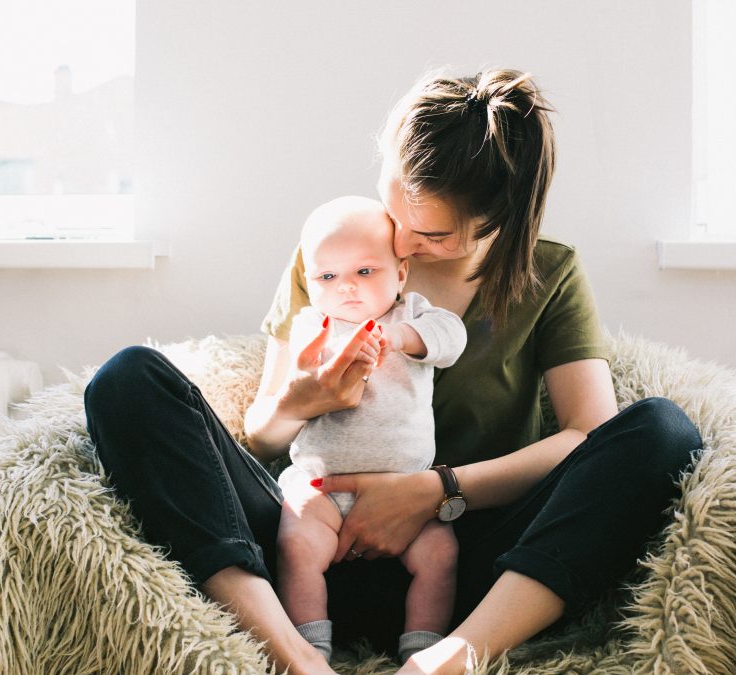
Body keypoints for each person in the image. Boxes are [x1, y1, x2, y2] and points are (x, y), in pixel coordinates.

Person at [84, 67, 702, 675]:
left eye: (430, 233)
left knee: (663, 434)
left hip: (464, 571)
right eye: (393, 208)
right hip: (302, 549)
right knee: (127, 380)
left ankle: (448, 661)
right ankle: (291, 654)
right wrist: (301, 402)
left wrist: (435, 492)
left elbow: (585, 436)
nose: (399, 242)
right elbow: (261, 436)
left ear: (497, 221)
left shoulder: (550, 274)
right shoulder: (337, 252)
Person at [275, 195, 466, 664]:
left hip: (408, 492)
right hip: (323, 488)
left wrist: (401, 338)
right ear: (308, 281)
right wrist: (316, 355)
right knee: (294, 547)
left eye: (365, 272)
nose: (346, 288)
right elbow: (297, 369)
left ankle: (422, 649)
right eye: (327, 276)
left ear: (400, 273)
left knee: (441, 556)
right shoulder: (312, 324)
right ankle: (311, 648)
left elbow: (452, 338)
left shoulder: (412, 316)